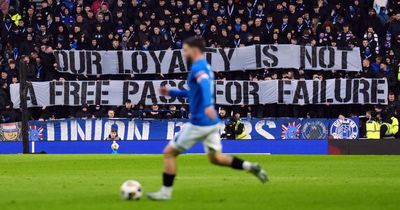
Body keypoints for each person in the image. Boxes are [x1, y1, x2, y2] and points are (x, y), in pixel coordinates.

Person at [147, 37, 267, 201]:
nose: (184, 53)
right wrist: (172, 93)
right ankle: (250, 166)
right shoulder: (207, 67)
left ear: (194, 50)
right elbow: (194, 92)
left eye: (185, 50)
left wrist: (208, 105)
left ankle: (165, 193)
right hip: (211, 123)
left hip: (199, 122)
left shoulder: (198, 67)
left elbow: (203, 85)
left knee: (169, 153)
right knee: (216, 158)